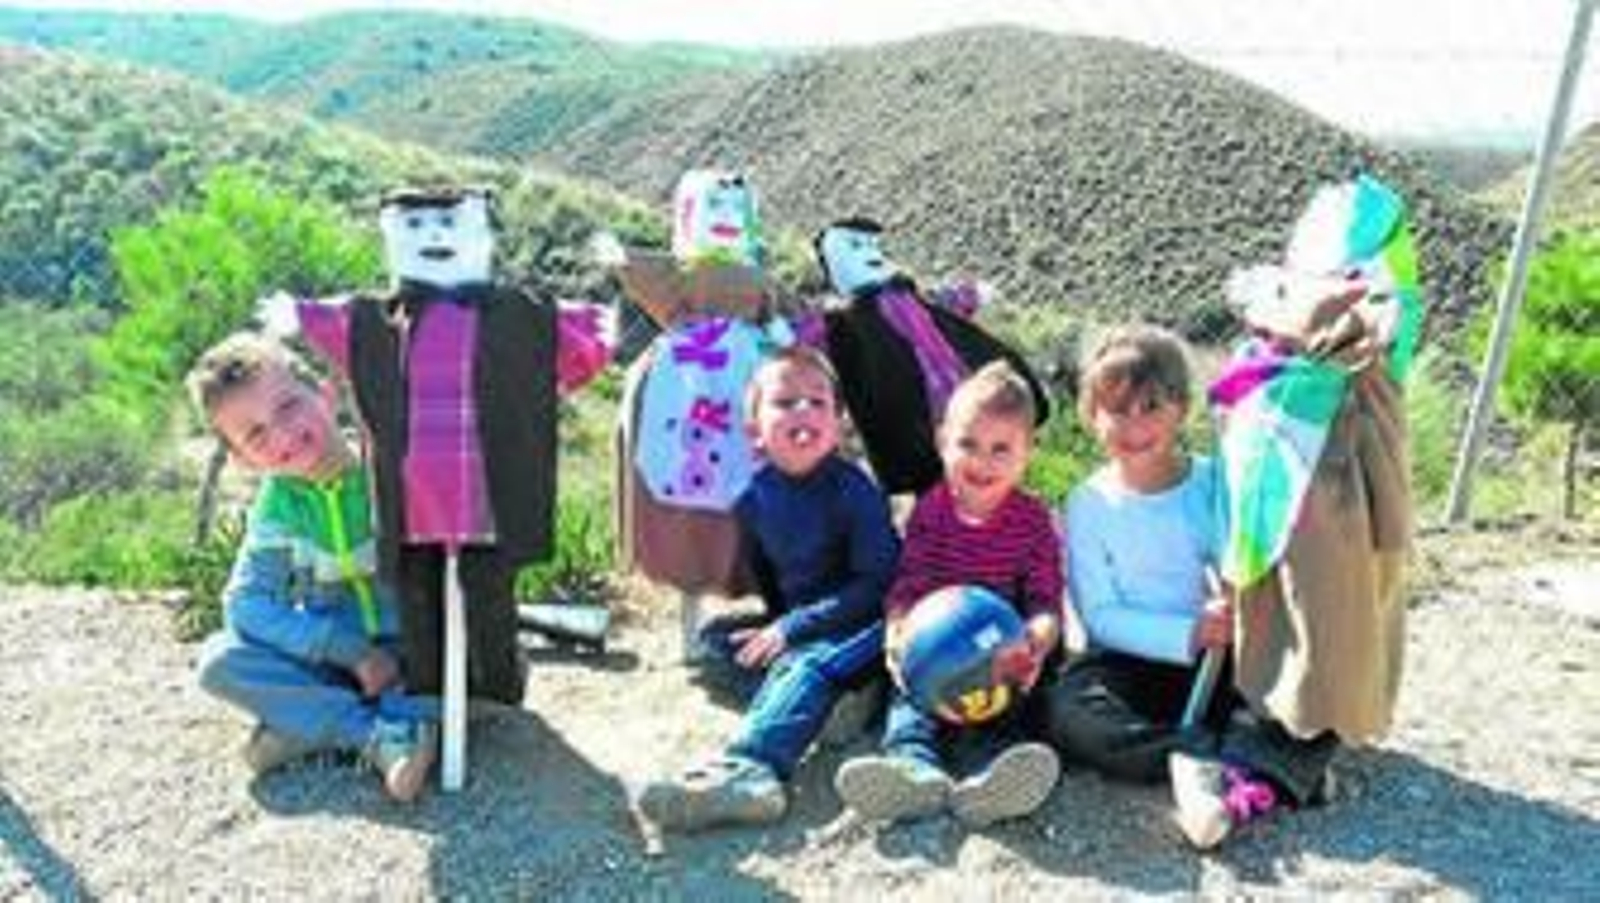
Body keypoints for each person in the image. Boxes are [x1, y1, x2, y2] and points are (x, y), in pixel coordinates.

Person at [259, 185, 612, 708]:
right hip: (411, 504)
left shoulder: (515, 313)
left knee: (489, 604)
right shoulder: (379, 318)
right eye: (417, 226)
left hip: (486, 499)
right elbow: (337, 319)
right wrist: (300, 314)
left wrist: (598, 326)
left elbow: (573, 335)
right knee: (418, 605)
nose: (434, 236)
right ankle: (430, 699)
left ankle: (496, 704)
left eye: (448, 224)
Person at [1170, 174, 1423, 849]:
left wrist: (1285, 302)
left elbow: (1335, 321)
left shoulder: (1382, 316)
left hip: (1339, 495)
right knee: (1272, 604)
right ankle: (1269, 719)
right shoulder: (1285, 334)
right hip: (1281, 476)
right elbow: (1280, 312)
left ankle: (1278, 763)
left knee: (1327, 616)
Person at [636, 346, 900, 832]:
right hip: (805, 619)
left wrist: (791, 629)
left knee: (804, 663)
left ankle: (754, 771)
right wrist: (777, 626)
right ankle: (836, 702)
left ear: (838, 424)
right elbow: (772, 583)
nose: (803, 410)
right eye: (785, 402)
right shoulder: (754, 495)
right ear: (754, 429)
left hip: (870, 620)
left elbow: (877, 583)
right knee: (718, 643)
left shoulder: (855, 491)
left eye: (818, 402)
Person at [189, 332, 437, 803]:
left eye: (288, 406)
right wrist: (350, 652)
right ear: (242, 458)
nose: (281, 435)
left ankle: (315, 728)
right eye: (255, 434)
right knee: (220, 662)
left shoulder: (388, 467)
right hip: (339, 664)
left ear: (326, 392)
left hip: (417, 649)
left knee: (469, 668)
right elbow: (246, 605)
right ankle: (374, 734)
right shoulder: (277, 509)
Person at [834, 361, 1064, 829]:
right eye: (968, 444)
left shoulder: (1033, 521)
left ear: (1027, 454)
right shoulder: (932, 511)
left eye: (1001, 449)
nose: (982, 461)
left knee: (1009, 713)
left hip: (1000, 651)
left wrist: (1037, 639)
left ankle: (991, 781)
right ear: (942, 442)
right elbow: (910, 582)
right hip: (934, 648)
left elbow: (1045, 598)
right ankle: (913, 771)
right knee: (911, 704)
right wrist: (898, 629)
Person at [1045, 325, 1230, 789]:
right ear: (1091, 415)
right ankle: (1194, 756)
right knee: (1068, 711)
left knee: (1299, 692)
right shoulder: (1088, 503)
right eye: (1116, 410)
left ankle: (1237, 752)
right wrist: (1188, 634)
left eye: (1150, 407)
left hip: (1222, 657)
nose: (1134, 426)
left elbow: (1245, 566)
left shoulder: (1217, 483)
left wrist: (1232, 607)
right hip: (1129, 662)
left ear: (1181, 408)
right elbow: (1100, 615)